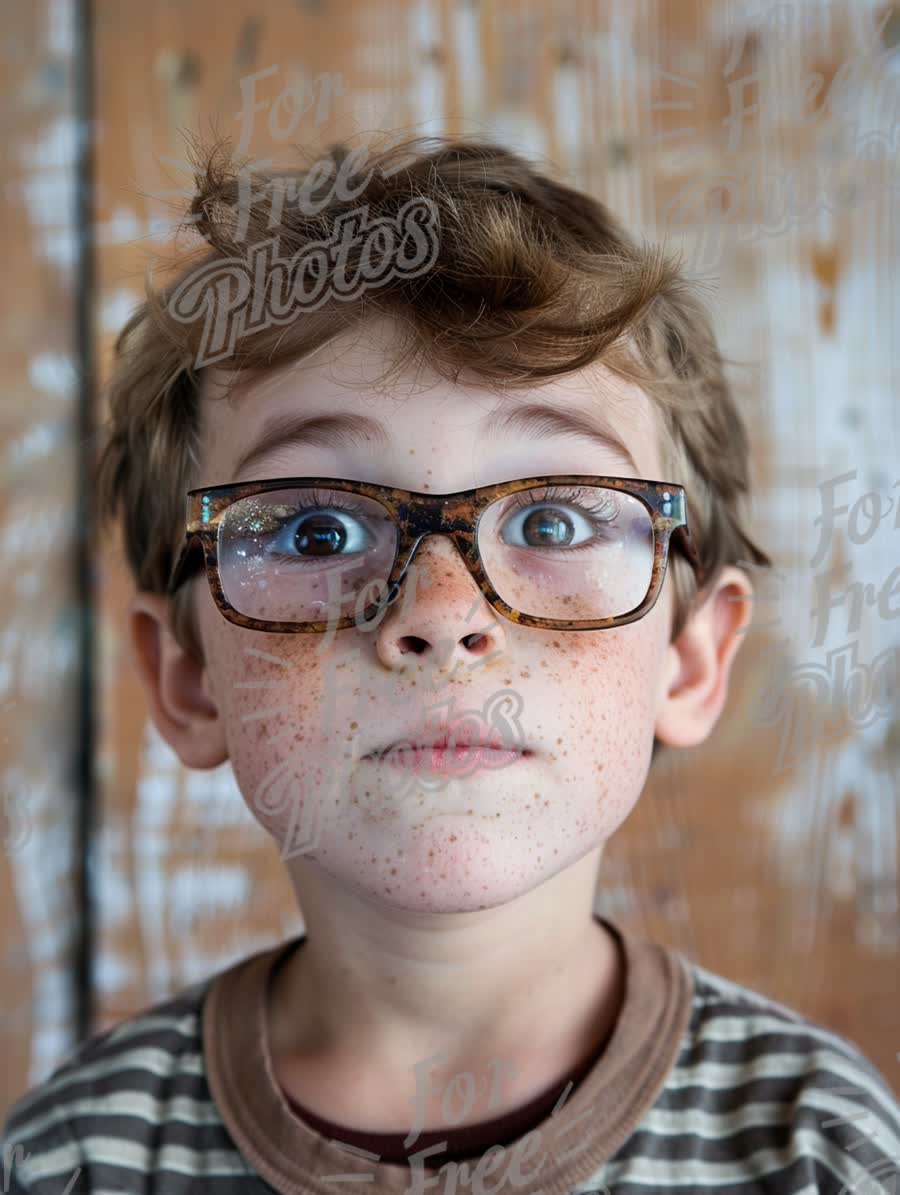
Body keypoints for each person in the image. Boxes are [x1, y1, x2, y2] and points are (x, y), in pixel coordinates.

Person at [3, 134, 898, 1194]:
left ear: (693, 658)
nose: (441, 616)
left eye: (557, 519)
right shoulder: (68, 1160)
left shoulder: (824, 1152)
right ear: (188, 678)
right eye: (315, 533)